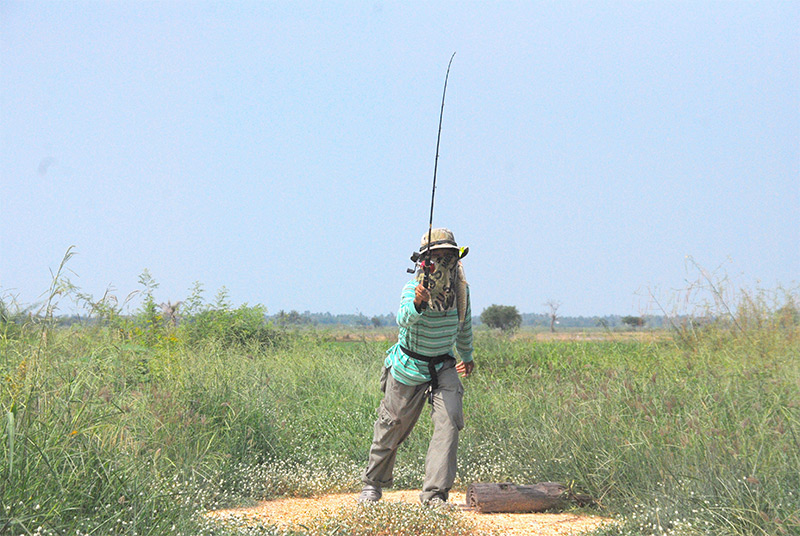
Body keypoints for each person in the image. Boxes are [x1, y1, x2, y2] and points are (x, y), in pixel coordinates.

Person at [359, 228, 474, 505]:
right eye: (438, 256)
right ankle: (372, 485)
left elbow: (464, 325)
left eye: (449, 255)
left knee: (448, 425)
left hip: (443, 366)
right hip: (409, 365)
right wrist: (418, 303)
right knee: (392, 425)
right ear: (425, 261)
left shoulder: (461, 290)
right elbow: (402, 320)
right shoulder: (413, 289)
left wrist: (467, 356)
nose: (444, 261)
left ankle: (435, 495)